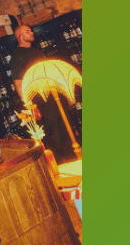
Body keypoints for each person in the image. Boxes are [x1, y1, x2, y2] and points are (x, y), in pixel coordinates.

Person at [10, 24, 79, 164]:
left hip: (54, 96)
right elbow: (19, 84)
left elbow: (51, 74)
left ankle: (73, 162)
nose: (31, 33)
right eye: (27, 31)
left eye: (30, 30)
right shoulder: (17, 57)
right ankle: (59, 166)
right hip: (41, 101)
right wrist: (30, 106)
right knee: (54, 136)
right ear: (19, 36)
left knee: (66, 129)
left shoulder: (37, 52)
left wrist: (65, 92)